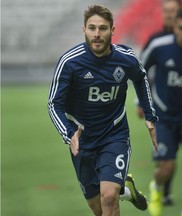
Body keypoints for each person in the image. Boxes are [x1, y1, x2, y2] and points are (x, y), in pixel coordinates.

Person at [47, 5, 159, 216]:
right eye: (92, 28)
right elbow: (54, 104)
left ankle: (117, 190)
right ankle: (126, 191)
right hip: (82, 139)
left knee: (108, 197)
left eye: (102, 28)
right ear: (84, 30)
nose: (97, 34)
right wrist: (69, 134)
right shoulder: (70, 62)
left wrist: (149, 115)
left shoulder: (126, 59)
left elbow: (141, 77)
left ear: (112, 30)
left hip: (114, 134)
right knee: (97, 207)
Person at [138, 0, 182, 207]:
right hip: (164, 116)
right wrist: (140, 102)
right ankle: (157, 187)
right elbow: (138, 72)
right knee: (166, 168)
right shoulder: (159, 45)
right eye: (181, 28)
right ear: (174, 26)